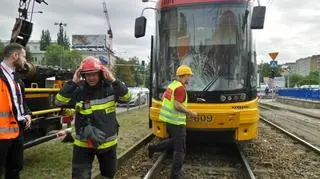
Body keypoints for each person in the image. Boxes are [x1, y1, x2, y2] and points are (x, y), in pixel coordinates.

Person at [55, 56, 131, 179]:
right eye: (87, 74)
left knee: (108, 176)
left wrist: (113, 79)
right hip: (83, 145)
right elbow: (59, 101)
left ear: (101, 73)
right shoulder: (78, 90)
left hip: (107, 145)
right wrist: (73, 82)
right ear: (82, 75)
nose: (91, 78)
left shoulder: (111, 88)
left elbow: (127, 98)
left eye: (94, 74)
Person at [148, 65, 197, 179]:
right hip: (176, 122)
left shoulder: (172, 85)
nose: (190, 78)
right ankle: (175, 175)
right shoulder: (180, 88)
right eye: (189, 75)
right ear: (184, 75)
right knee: (180, 150)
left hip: (170, 120)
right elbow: (177, 105)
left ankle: (153, 148)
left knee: (175, 142)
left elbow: (165, 97)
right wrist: (190, 113)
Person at [0, 43, 32, 179]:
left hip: (17, 129)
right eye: (24, 57)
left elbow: (19, 101)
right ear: (15, 56)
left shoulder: (15, 77)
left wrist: (27, 113)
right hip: (1, 133)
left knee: (15, 168)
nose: (25, 61)